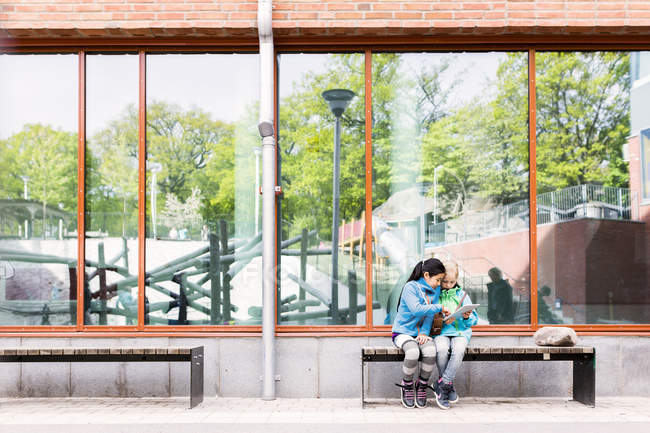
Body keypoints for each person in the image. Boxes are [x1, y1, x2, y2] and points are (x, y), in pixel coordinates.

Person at [391, 258, 448, 408]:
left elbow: (429, 316)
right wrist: (439, 307)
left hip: (419, 333)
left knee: (430, 351)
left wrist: (423, 333)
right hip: (402, 332)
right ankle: (407, 385)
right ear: (427, 275)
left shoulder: (435, 290)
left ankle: (422, 386)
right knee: (412, 352)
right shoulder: (410, 287)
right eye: (438, 279)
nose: (439, 283)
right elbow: (416, 309)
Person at [432, 261, 478, 410]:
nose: (448, 285)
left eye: (452, 282)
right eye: (445, 281)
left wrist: (465, 317)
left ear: (456, 280)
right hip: (442, 331)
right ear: (440, 279)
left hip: (460, 332)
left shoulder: (462, 295)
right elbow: (429, 317)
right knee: (441, 350)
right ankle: (448, 386)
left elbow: (473, 321)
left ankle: (443, 384)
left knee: (458, 350)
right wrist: (442, 318)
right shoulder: (435, 295)